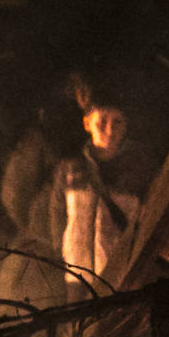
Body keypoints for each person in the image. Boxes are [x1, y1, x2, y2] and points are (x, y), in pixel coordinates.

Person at [48, 90, 154, 300]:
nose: (110, 129)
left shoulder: (139, 167)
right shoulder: (70, 168)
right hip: (76, 272)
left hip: (120, 270)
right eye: (102, 121)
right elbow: (57, 210)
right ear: (87, 124)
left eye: (117, 122)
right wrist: (61, 249)